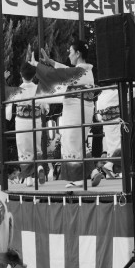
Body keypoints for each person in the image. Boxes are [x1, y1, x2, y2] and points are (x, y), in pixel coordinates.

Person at [38, 40, 94, 181]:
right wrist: (51, 62)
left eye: (70, 51)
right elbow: (64, 70)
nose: (68, 55)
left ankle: (76, 180)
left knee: (70, 143)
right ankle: (92, 173)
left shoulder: (76, 72)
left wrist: (39, 67)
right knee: (80, 143)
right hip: (86, 108)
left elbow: (55, 75)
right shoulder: (87, 71)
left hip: (75, 109)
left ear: (77, 53)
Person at [2, 61, 49, 185]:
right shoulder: (39, 89)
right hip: (36, 120)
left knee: (24, 151)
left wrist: (3, 79)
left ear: (21, 74)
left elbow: (4, 93)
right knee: (36, 147)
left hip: (22, 122)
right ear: (33, 75)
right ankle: (39, 167)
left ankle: (28, 179)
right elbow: (46, 108)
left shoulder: (17, 90)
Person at [94, 84, 121, 160]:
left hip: (107, 123)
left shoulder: (100, 96)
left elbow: (98, 117)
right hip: (117, 120)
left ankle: (111, 160)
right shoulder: (118, 91)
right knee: (118, 142)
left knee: (111, 143)